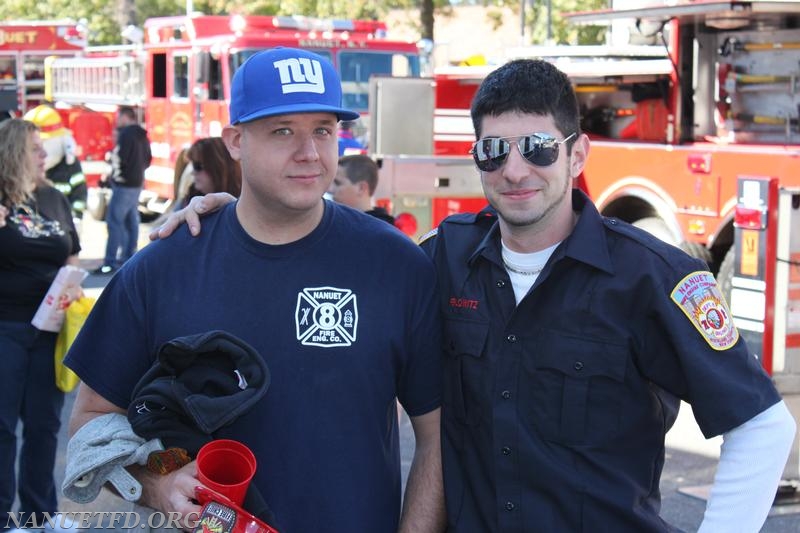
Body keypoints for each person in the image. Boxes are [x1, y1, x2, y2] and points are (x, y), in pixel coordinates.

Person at [154, 58, 797, 532]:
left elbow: (764, 425)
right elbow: (328, 244)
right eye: (494, 150)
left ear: (577, 155)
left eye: (538, 148)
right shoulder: (442, 257)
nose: (515, 169)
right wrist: (230, 212)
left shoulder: (652, 277)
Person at [65, 48, 444, 533]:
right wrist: (156, 483)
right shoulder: (162, 267)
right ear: (236, 141)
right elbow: (90, 418)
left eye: (323, 130)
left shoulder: (396, 265)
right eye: (283, 130)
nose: (309, 152)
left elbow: (436, 439)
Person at [0, 119, 81, 530]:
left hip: (51, 329)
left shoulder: (53, 197)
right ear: (14, 153)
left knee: (44, 425)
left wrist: (71, 283)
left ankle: (39, 516)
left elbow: (71, 251)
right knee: (2, 427)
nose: (44, 156)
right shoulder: (2, 198)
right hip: (6, 326)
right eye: (35, 149)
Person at [93, 106, 151, 275]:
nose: (117, 120)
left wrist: (114, 175)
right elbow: (148, 159)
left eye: (119, 116)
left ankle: (110, 262)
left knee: (114, 222)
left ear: (126, 117)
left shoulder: (125, 134)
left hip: (124, 184)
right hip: (137, 182)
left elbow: (120, 158)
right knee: (131, 221)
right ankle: (129, 258)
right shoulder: (142, 135)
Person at [23, 105, 87, 219]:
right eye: (34, 148)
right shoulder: (19, 167)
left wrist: (76, 217)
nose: (42, 154)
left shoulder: (70, 164)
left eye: (43, 145)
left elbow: (80, 192)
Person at [330, 154, 394, 224]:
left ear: (361, 188)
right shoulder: (339, 223)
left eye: (337, 183)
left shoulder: (380, 232)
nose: (330, 189)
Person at [182, 137, 242, 205]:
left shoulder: (242, 206)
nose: (193, 173)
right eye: (193, 165)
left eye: (197, 166)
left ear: (216, 168)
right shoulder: (189, 200)